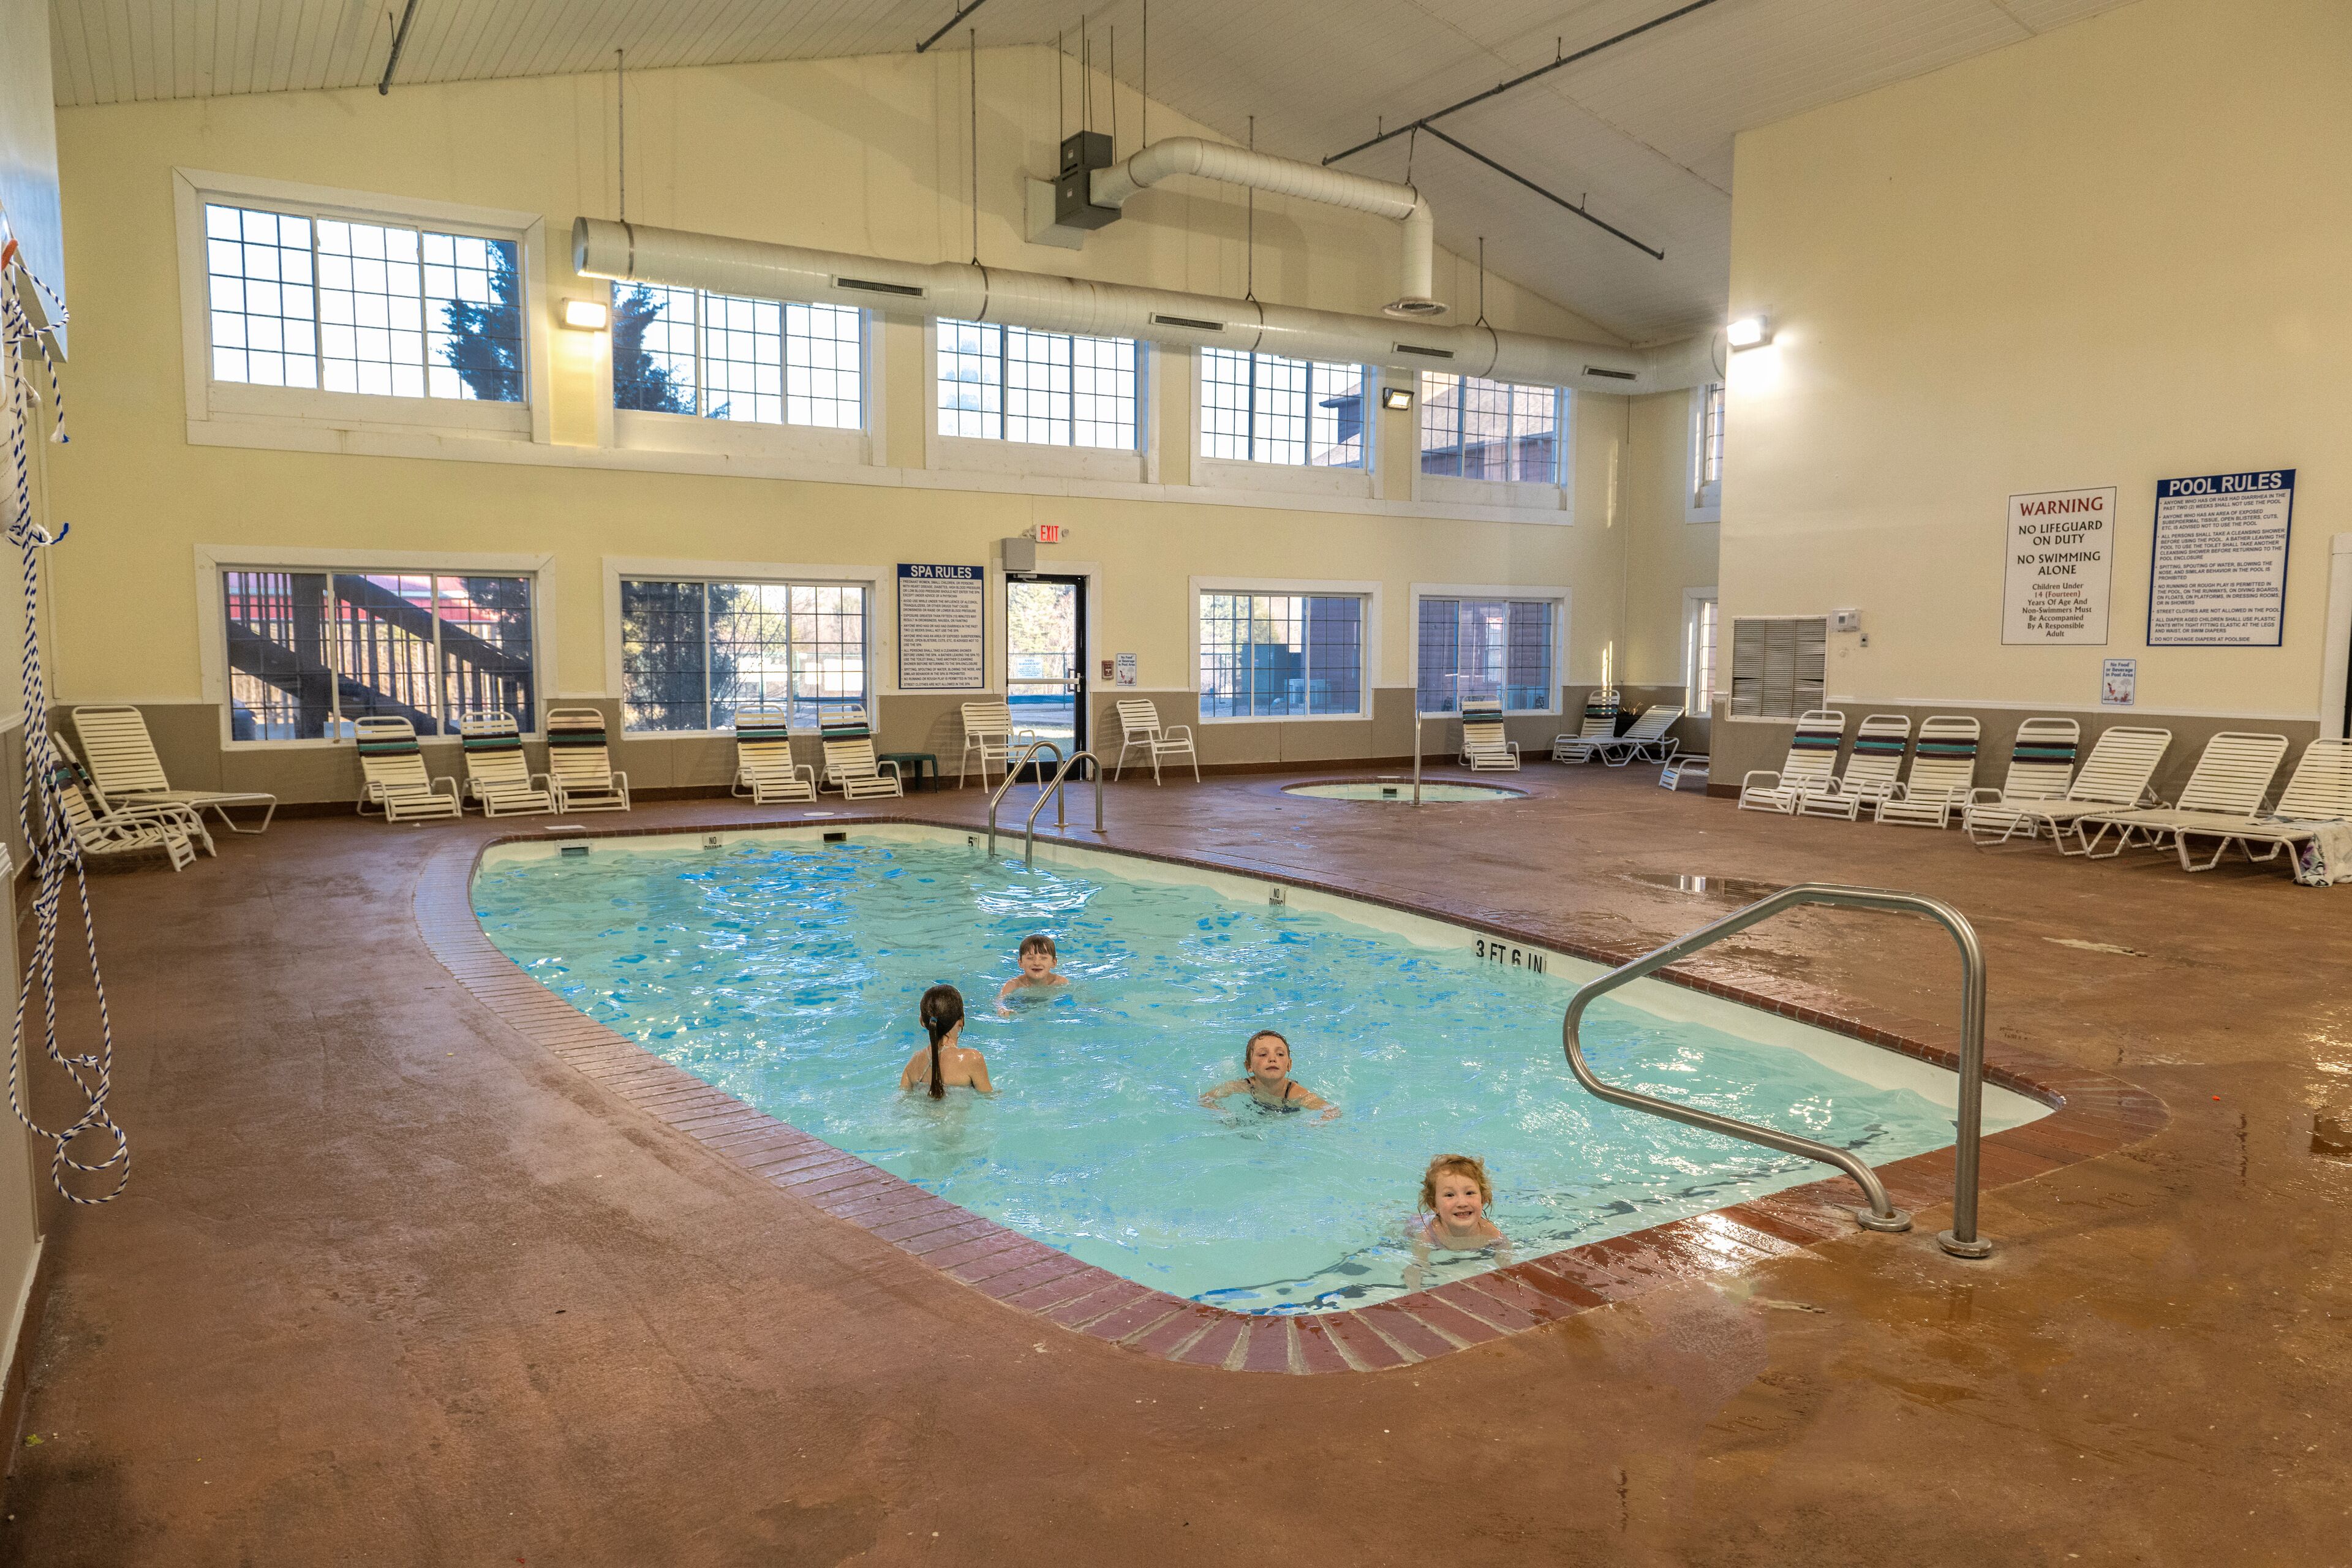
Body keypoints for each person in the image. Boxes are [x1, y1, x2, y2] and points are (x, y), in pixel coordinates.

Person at [1407, 1154, 1509, 1288]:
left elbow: (1508, 1266)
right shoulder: (1428, 1236)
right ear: (1434, 1205)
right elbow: (1416, 1269)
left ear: (1483, 1199)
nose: (1462, 1203)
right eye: (1450, 1195)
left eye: (1470, 1193)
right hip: (1416, 1224)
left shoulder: (1492, 1234)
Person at [1199, 1030, 1338, 1120]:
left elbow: (1332, 1111)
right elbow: (1205, 1099)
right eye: (1263, 1054)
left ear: (1289, 1065)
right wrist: (1224, 1115)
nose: (1272, 1059)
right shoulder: (1244, 1086)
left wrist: (1318, 1124)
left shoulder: (1296, 1094)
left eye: (1280, 1054)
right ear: (1249, 1066)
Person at [900, 984, 994, 1097]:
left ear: (922, 1022)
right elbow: (989, 1098)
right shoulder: (972, 1059)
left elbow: (901, 1100)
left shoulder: (913, 1064)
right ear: (961, 1021)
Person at [996, 933, 1070, 1011]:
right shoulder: (1014, 984)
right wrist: (1002, 1009)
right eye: (1030, 958)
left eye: (1043, 958)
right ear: (1020, 963)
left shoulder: (1061, 982)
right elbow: (999, 1001)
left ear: (1054, 963)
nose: (1036, 963)